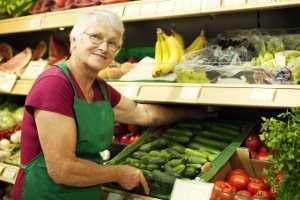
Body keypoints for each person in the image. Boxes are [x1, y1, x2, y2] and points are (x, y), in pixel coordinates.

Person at [12, 10, 216, 200]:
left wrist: (195, 113)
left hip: (83, 192)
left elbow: (142, 113)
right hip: (44, 193)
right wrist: (117, 173)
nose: (103, 48)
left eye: (112, 43)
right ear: (74, 40)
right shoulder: (55, 84)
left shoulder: (99, 87)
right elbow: (62, 169)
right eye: (95, 37)